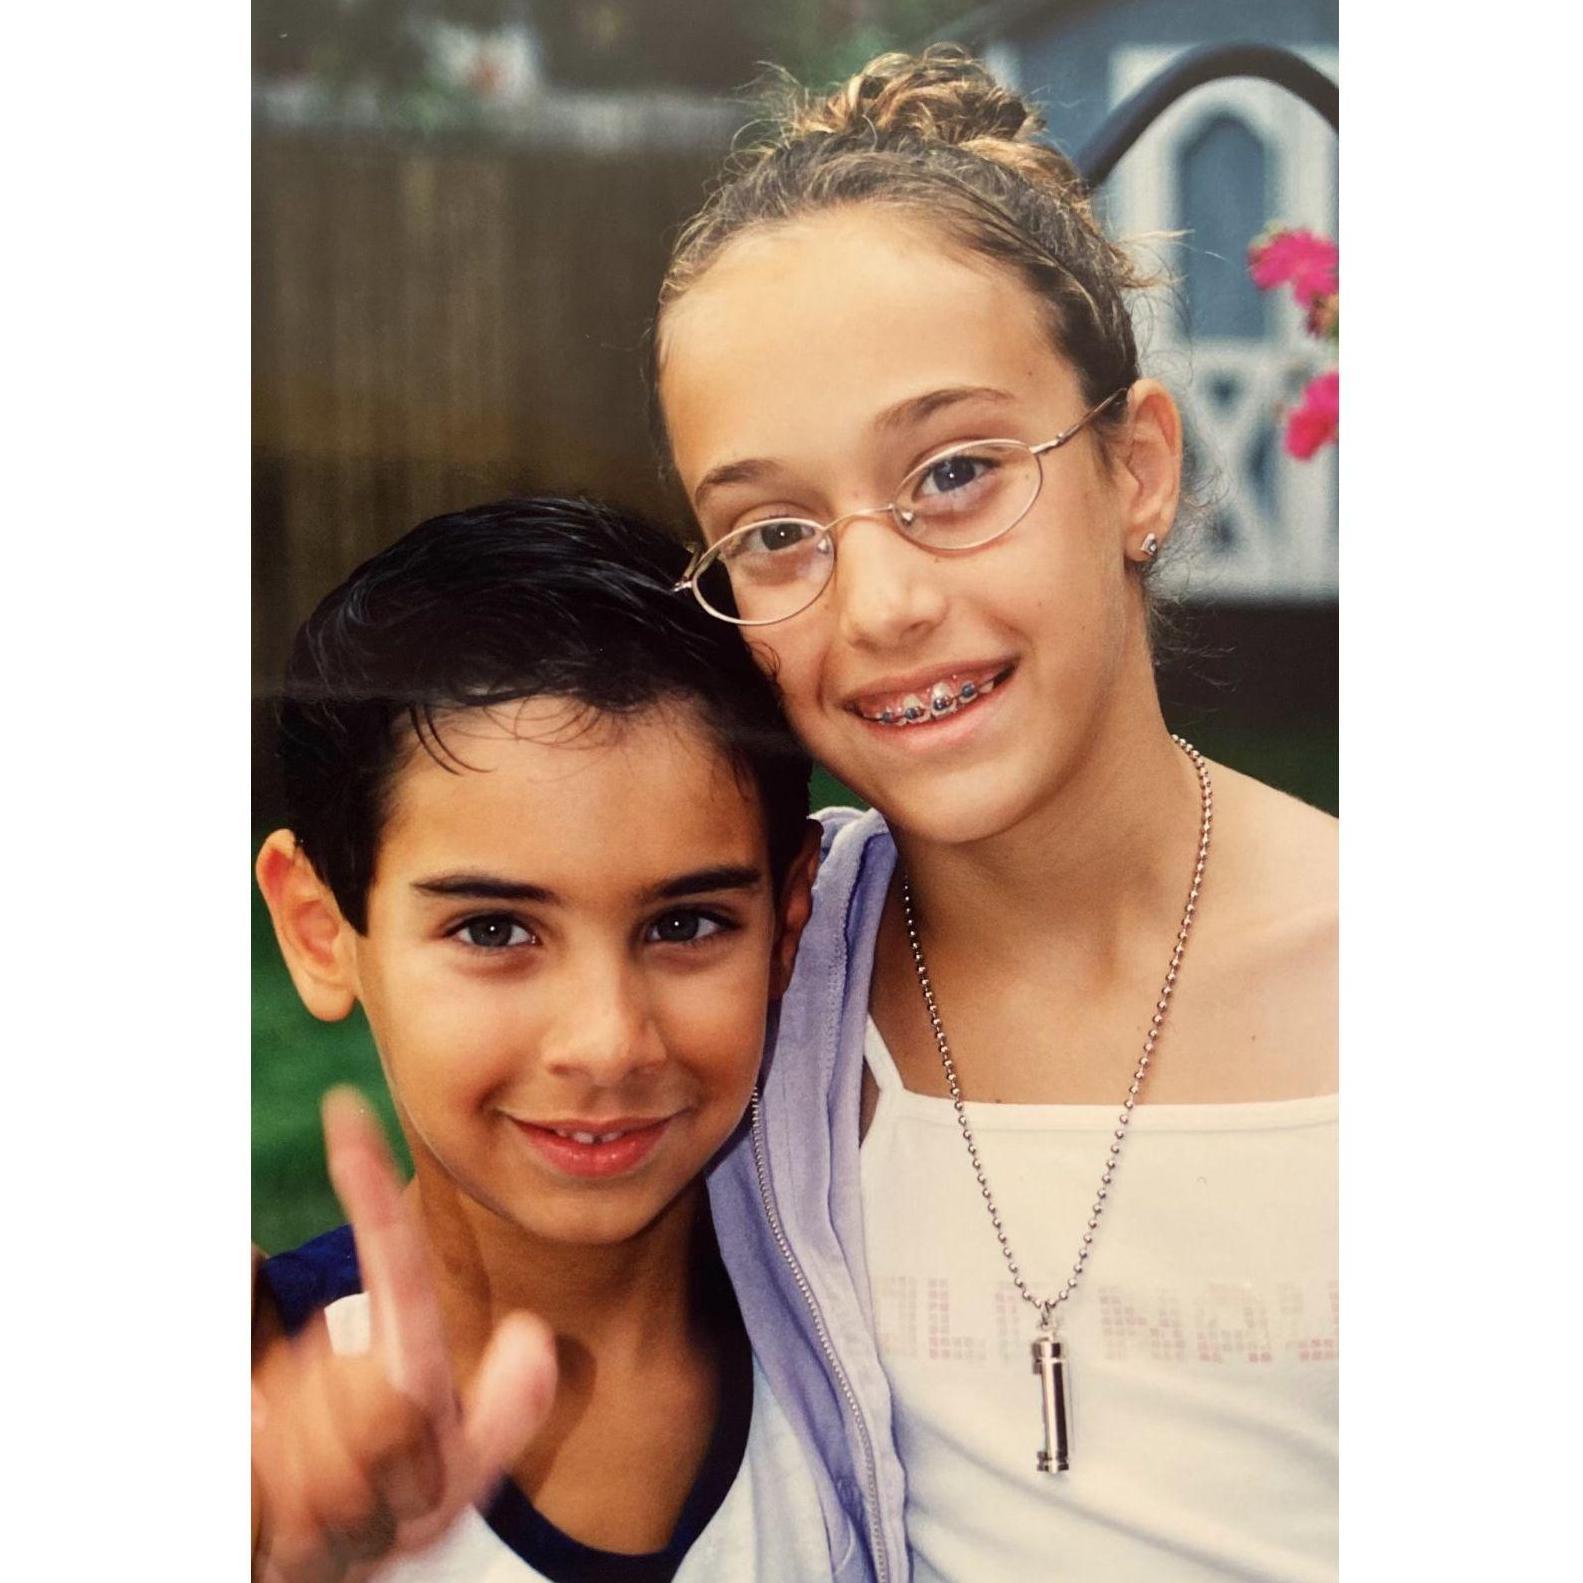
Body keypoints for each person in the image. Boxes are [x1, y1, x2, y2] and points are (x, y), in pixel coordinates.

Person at [651, 45, 1339, 1583]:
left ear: (1135, 469)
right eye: (772, 531)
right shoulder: (755, 970)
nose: (883, 601)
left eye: (955, 472)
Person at [250, 497, 841, 1582]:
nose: (608, 1041)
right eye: (493, 929)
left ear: (786, 920)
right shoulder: (249, 1405)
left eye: (686, 923)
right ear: (320, 928)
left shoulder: (872, 1359)